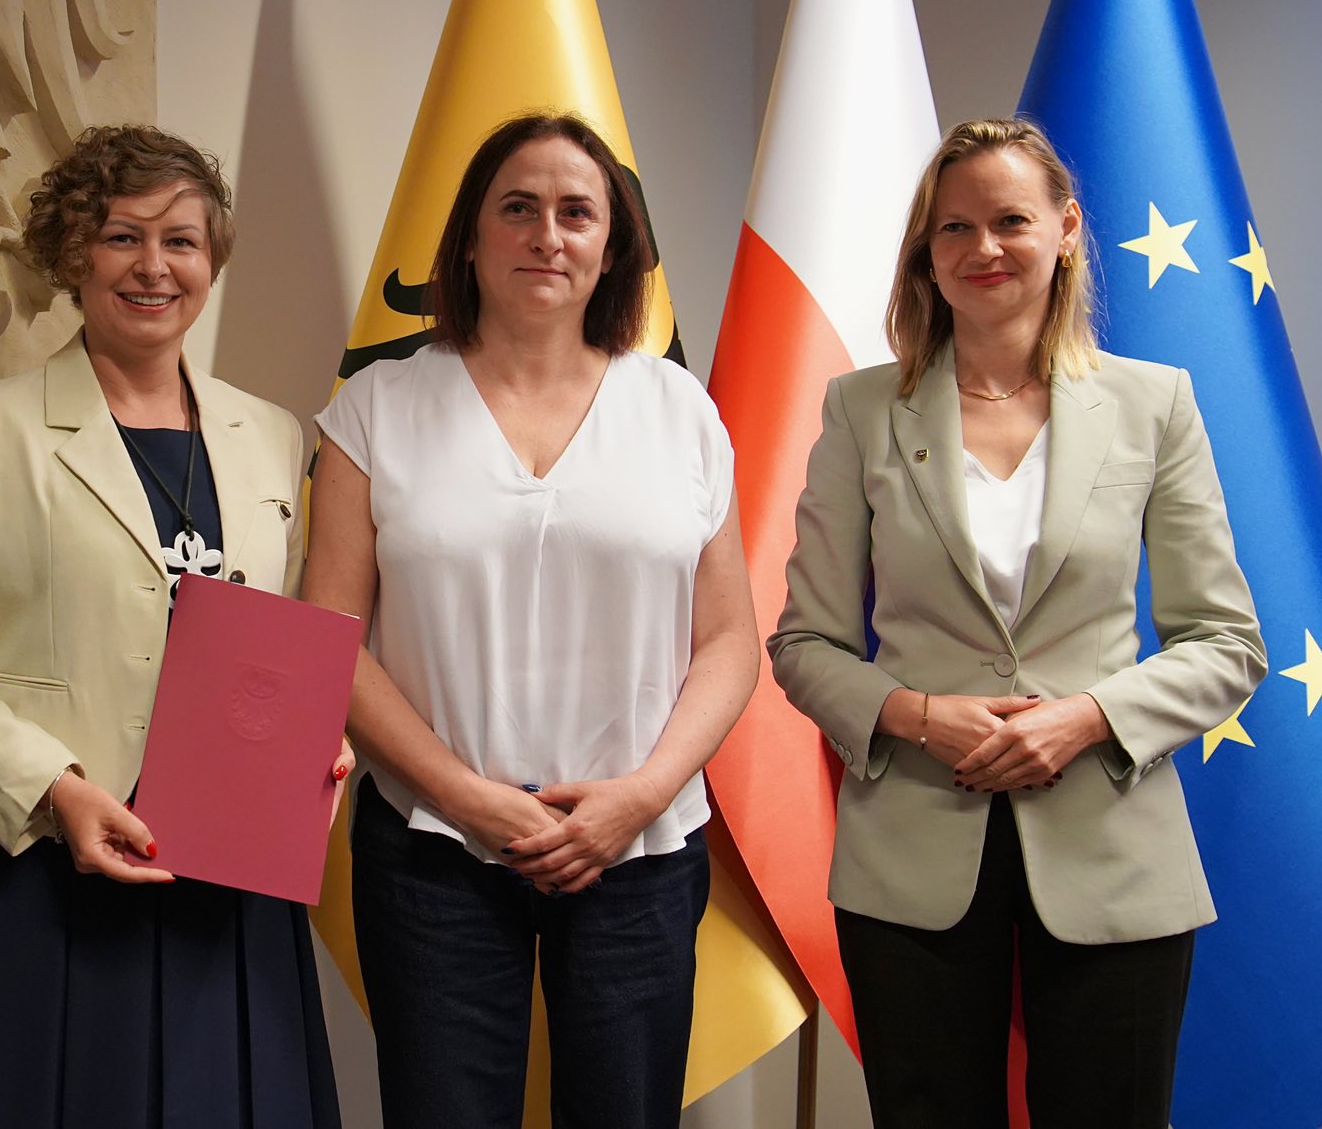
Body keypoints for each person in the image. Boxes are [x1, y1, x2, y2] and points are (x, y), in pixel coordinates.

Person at [769, 117, 1265, 1129]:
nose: (982, 247)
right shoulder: (859, 410)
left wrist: (1085, 718)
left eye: (1010, 221)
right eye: (953, 227)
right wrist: (916, 714)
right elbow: (803, 645)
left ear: (1066, 229)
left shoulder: (1154, 404)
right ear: (926, 251)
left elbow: (1226, 641)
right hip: (910, 856)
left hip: (1114, 856)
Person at [304, 113, 759, 1128]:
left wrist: (641, 795)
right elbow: (331, 636)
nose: (546, 235)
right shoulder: (375, 407)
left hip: (636, 846)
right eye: (517, 208)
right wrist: (467, 797)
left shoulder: (680, 409)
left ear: (612, 246)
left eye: (575, 212)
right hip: (432, 847)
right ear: (469, 238)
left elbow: (730, 640)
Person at [0, 124, 348, 1129]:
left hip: (228, 877)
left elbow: (285, 651)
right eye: (121, 236)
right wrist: (54, 789)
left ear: (211, 260)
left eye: (180, 240)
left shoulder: (271, 435)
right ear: (74, 254)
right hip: (42, 870)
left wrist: (319, 745)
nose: (154, 266)